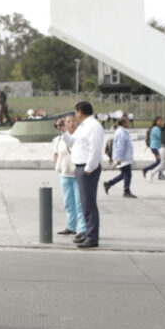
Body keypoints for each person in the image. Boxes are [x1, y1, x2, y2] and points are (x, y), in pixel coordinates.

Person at [62, 101, 104, 249]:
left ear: (80, 112)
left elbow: (96, 149)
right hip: (80, 167)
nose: (75, 115)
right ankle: (87, 233)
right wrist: (64, 131)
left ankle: (92, 237)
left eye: (75, 112)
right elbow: (73, 143)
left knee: (89, 204)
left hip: (87, 169)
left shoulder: (93, 126)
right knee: (85, 204)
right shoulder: (83, 127)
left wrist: (89, 168)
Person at [53, 116, 86, 238]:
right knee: (68, 203)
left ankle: (83, 228)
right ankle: (71, 226)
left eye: (73, 121)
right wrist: (58, 166)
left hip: (76, 174)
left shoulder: (79, 137)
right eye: (68, 122)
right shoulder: (59, 139)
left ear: (78, 123)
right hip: (64, 174)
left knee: (80, 203)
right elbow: (56, 154)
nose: (71, 123)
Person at [103, 116, 136, 197]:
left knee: (125, 174)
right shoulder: (121, 132)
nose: (129, 123)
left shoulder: (124, 131)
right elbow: (119, 146)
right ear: (124, 123)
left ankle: (109, 183)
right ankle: (126, 191)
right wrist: (119, 158)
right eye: (128, 121)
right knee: (127, 174)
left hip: (125, 157)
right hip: (122, 158)